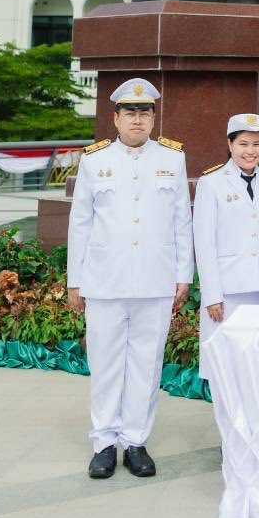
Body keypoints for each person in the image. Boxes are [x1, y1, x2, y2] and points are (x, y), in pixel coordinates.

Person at [66, 77, 192, 480]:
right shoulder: (94, 160)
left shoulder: (172, 159)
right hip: (105, 280)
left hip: (156, 280)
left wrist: (183, 274)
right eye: (129, 112)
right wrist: (75, 281)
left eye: (145, 112)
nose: (137, 120)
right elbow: (80, 223)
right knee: (104, 363)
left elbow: (182, 221)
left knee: (146, 363)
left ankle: (135, 441)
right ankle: (103, 441)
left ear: (153, 118)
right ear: (115, 118)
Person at [192, 111, 259, 377]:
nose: (250, 151)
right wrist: (212, 294)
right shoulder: (211, 183)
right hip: (227, 291)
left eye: (256, 144)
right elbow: (204, 243)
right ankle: (227, 420)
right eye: (243, 144)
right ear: (229, 145)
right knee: (225, 365)